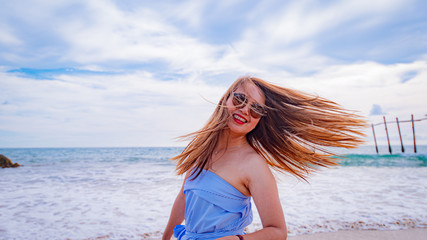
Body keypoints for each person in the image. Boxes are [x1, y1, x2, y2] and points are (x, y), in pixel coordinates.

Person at [162, 76, 366, 240]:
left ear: (260, 120)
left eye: (256, 109)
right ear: (226, 99)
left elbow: (277, 231)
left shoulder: (254, 165)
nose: (245, 110)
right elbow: (183, 197)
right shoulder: (201, 149)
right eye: (240, 99)